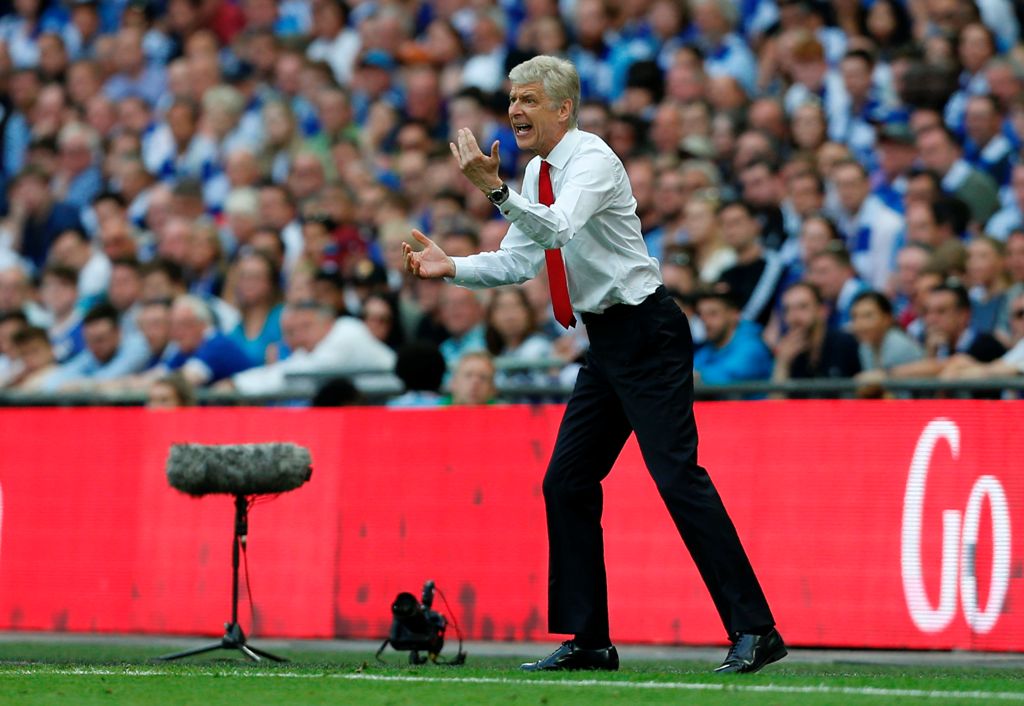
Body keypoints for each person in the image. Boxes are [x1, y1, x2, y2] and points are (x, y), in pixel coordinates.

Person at [402, 55, 783, 674]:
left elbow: (555, 231)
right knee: (567, 481)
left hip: (647, 332)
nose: (515, 112)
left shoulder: (593, 160)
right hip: (606, 341)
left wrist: (496, 192)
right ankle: (589, 639)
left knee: (676, 479)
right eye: (512, 101)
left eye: (528, 100)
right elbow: (523, 261)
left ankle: (755, 628)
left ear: (563, 109)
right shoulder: (537, 171)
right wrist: (456, 268)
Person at [771, 282, 861, 383]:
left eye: (802, 307)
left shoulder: (847, 344)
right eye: (787, 309)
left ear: (822, 311)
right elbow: (777, 398)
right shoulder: (789, 355)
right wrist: (782, 364)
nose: (793, 317)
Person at [693, 290, 773, 384]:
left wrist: (696, 376)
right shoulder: (709, 348)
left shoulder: (753, 346)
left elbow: (729, 377)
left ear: (734, 314)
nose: (705, 321)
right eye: (701, 315)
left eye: (713, 314)